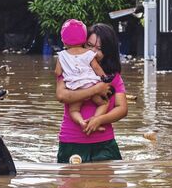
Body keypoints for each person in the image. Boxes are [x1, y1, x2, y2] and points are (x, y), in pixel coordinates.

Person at [55, 23, 128, 163]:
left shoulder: (112, 76)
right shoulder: (68, 70)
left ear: (108, 51)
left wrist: (99, 120)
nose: (93, 52)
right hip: (71, 141)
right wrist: (96, 89)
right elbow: (62, 96)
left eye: (99, 49)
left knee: (105, 185)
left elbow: (122, 109)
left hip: (104, 143)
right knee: (70, 184)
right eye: (89, 45)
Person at [54, 19, 114, 128]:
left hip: (75, 88)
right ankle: (95, 121)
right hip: (90, 83)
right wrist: (104, 78)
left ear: (63, 41)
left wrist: (65, 70)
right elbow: (96, 68)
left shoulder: (61, 55)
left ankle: (82, 122)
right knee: (104, 103)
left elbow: (58, 72)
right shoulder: (89, 54)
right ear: (84, 41)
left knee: (74, 110)